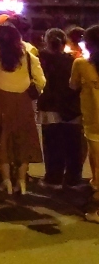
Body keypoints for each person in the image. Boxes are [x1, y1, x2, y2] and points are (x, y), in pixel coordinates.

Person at [0, 23, 45, 197]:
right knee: (23, 138)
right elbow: (41, 81)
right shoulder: (29, 57)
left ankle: (6, 181)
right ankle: (21, 182)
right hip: (23, 102)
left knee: (3, 139)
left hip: (1, 101)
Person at [38, 28, 85, 190]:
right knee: (73, 145)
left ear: (46, 42)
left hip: (50, 106)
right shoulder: (73, 61)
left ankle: (54, 177)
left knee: (52, 145)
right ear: (64, 43)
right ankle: (73, 179)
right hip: (71, 107)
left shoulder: (41, 59)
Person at [69, 25, 99, 223]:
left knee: (96, 159)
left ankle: (96, 198)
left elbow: (73, 85)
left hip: (94, 118)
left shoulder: (80, 63)